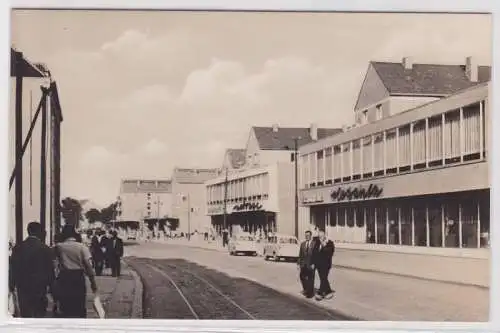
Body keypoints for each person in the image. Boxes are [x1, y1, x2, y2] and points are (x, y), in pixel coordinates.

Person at [9, 222, 55, 318]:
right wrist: (52, 287)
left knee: (25, 312)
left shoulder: (18, 247)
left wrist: (12, 284)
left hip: (23, 286)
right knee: (39, 312)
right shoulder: (45, 248)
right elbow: (50, 269)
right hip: (40, 286)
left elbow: (13, 267)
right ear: (39, 232)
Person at [53, 224, 98, 318]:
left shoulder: (59, 247)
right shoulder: (82, 247)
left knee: (65, 304)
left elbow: (53, 263)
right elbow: (88, 267)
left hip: (64, 278)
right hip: (78, 278)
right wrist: (93, 283)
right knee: (79, 304)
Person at [313, 229, 335, 300]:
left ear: (325, 235)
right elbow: (314, 252)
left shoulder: (330, 243)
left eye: (321, 236)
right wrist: (313, 263)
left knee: (323, 278)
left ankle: (320, 293)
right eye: (319, 236)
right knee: (323, 278)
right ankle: (328, 291)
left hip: (326, 264)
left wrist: (324, 246)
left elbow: (330, 253)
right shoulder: (317, 243)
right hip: (319, 265)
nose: (320, 238)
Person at [297, 230, 319, 298]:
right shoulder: (302, 244)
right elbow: (300, 255)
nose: (307, 237)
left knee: (311, 279)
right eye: (306, 235)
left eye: (308, 235)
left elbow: (316, 255)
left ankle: (310, 294)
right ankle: (306, 289)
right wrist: (298, 264)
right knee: (302, 276)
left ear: (310, 236)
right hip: (304, 264)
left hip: (311, 264)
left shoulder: (314, 244)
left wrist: (314, 264)